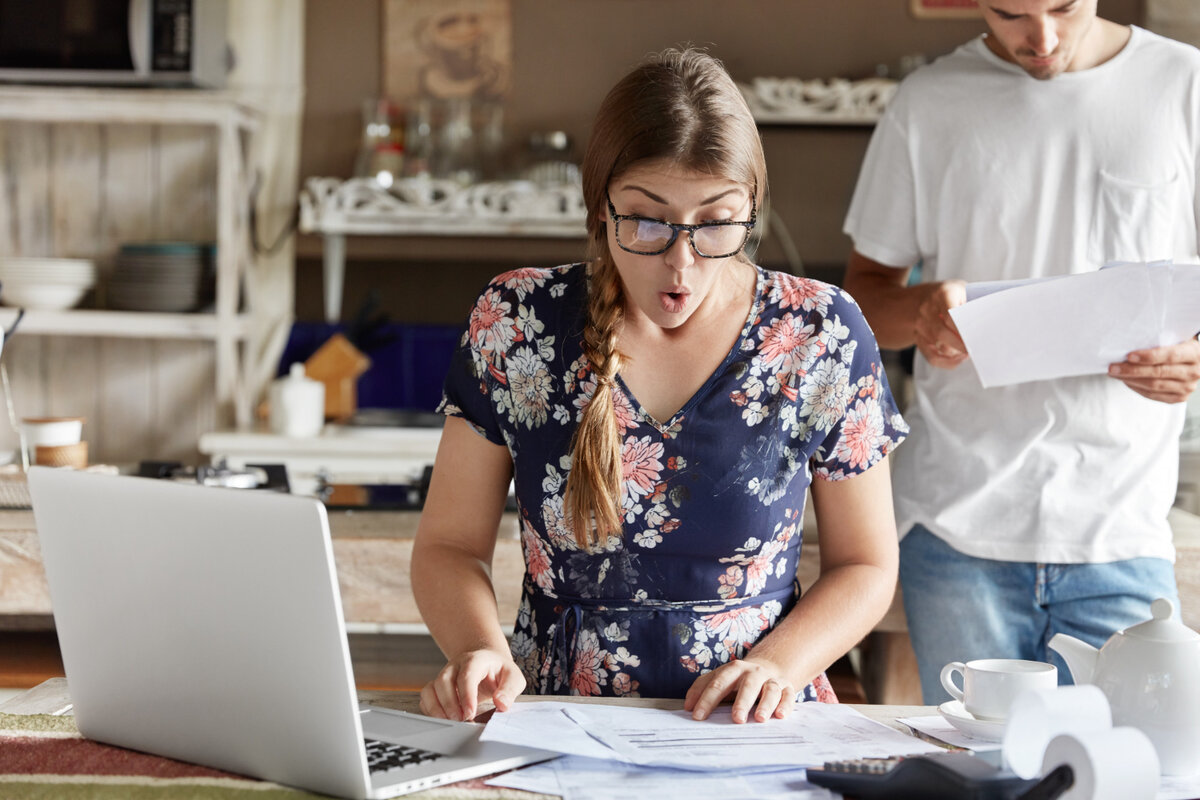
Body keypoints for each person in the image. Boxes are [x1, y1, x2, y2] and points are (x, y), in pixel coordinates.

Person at [411, 47, 908, 725]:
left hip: (748, 724)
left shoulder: (821, 332)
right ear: (600, 206)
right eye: (646, 221)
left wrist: (779, 665)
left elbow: (866, 566)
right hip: (559, 718)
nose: (681, 263)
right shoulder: (517, 320)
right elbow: (448, 547)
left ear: (752, 207)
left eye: (715, 223)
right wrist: (477, 649)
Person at [842, 0, 1200, 704]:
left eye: (1063, 7)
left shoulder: (1184, 85)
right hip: (957, 533)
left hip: (1122, 530)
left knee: (1130, 774)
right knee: (980, 778)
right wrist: (919, 311)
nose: (1041, 38)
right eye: (1011, 14)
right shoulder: (927, 103)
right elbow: (863, 297)